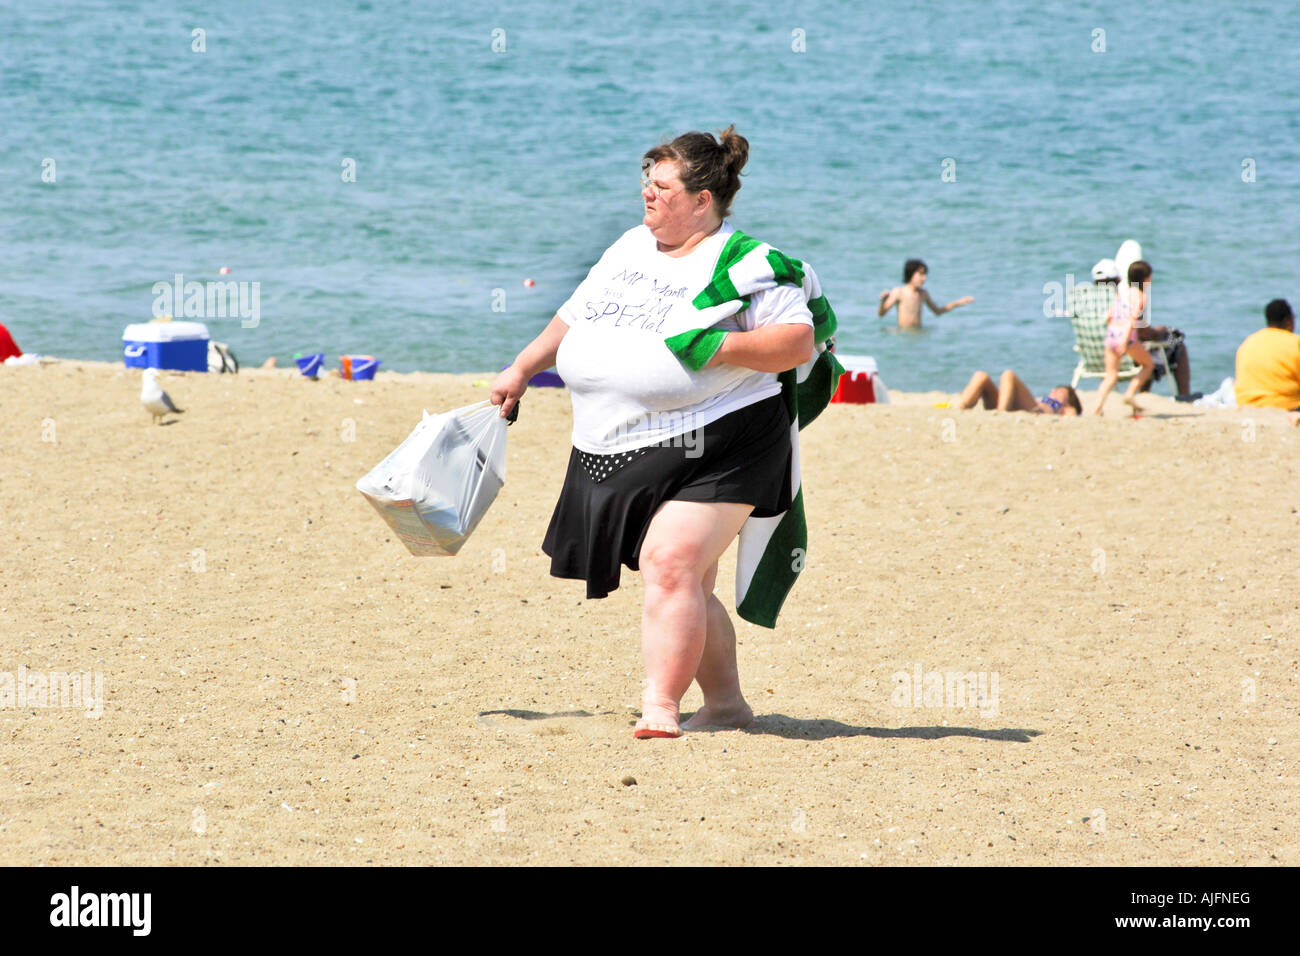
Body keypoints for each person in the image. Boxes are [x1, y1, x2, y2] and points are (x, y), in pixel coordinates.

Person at [490, 127, 824, 740]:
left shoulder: (745, 262)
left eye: (662, 185)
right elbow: (573, 314)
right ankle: (725, 705)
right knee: (687, 580)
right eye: (647, 179)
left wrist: (717, 344)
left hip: (726, 439)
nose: (647, 192)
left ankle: (660, 708)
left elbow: (796, 343)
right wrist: (522, 368)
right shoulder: (628, 247)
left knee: (669, 563)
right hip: (625, 442)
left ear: (703, 200)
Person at [1074, 258, 1194, 398]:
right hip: (1128, 353)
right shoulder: (1124, 297)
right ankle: (1183, 397)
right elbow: (1138, 328)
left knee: (1155, 344)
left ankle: (1143, 393)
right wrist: (1158, 332)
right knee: (1176, 342)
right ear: (1118, 279)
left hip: (1098, 355)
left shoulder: (1088, 302)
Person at [1091, 260, 1156, 414]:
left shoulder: (1123, 292)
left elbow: (1109, 315)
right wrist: (1126, 340)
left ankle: (1097, 407)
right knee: (1148, 365)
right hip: (1126, 337)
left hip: (1112, 333)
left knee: (1110, 375)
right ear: (1145, 279)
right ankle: (1130, 394)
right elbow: (1132, 320)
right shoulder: (1141, 297)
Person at [1235, 299, 1300, 418]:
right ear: (1288, 321)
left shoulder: (1249, 342)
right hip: (1285, 405)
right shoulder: (1295, 342)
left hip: (1247, 404)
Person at [878, 259, 973, 329]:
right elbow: (881, 314)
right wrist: (883, 301)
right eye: (921, 274)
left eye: (925, 275)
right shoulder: (899, 292)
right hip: (904, 334)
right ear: (911, 274)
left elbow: (937, 311)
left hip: (919, 333)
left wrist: (958, 303)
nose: (924, 278)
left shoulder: (923, 293)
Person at [956, 369, 1082, 415]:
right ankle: (960, 407)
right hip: (1012, 404)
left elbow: (1074, 414)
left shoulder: (1064, 408)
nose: (1054, 391)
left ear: (1068, 401)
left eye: (1060, 391)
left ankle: (1000, 414)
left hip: (1034, 410)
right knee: (981, 375)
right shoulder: (1049, 400)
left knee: (1008, 374)